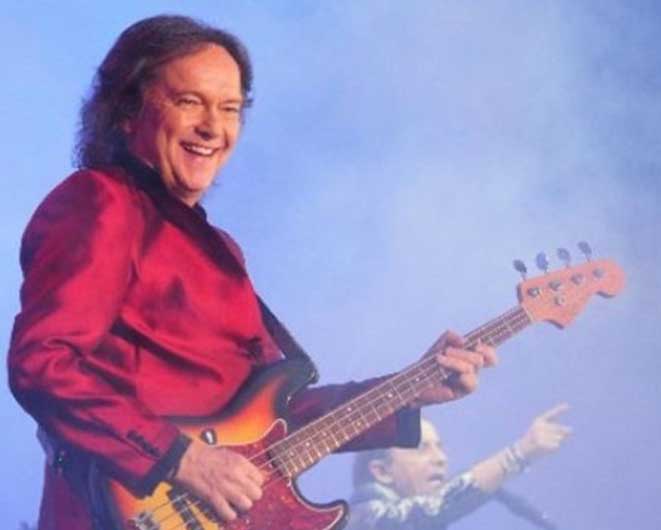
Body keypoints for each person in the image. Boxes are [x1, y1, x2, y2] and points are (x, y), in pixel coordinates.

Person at [6, 15, 496, 530]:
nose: (212, 128)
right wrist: (180, 459)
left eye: (230, 109)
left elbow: (278, 419)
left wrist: (410, 389)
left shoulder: (222, 250)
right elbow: (43, 362)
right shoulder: (102, 202)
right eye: (189, 102)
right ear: (127, 112)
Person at [348, 403, 571, 530]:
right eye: (422, 449)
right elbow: (431, 509)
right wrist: (519, 453)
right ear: (382, 471)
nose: (440, 458)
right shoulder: (361, 518)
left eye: (439, 447)